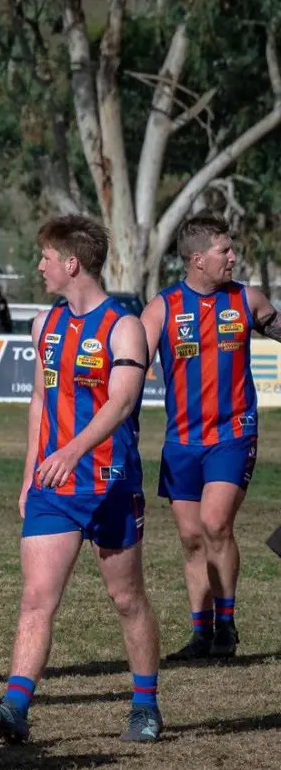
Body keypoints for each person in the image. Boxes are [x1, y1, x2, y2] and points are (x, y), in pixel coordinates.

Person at [0, 214, 162, 744]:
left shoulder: (125, 327)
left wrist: (73, 450)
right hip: (54, 488)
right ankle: (15, 708)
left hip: (112, 484)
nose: (40, 266)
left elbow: (121, 404)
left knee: (127, 598)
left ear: (72, 263)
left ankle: (145, 704)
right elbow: (39, 402)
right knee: (36, 597)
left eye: (46, 257)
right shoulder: (44, 324)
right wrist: (30, 475)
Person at [142, 215, 280, 661]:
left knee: (216, 523)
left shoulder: (247, 299)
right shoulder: (162, 308)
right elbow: (130, 363)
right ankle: (201, 633)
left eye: (232, 248)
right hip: (182, 441)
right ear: (197, 259)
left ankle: (227, 625)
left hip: (233, 434)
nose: (233, 257)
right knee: (190, 538)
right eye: (225, 250)